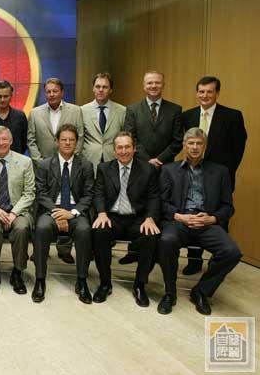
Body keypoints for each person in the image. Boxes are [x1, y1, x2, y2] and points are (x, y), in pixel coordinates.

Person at [157, 128, 242, 315]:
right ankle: (170, 293)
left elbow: (228, 207)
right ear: (184, 146)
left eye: (199, 143)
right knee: (166, 241)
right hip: (179, 221)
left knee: (232, 252)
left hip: (207, 223)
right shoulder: (169, 170)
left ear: (204, 146)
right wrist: (179, 216)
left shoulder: (220, 171)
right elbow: (160, 202)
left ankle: (201, 292)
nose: (195, 147)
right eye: (191, 143)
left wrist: (212, 218)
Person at [180, 76, 247, 275]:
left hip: (219, 178)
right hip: (193, 175)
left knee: (219, 219)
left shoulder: (232, 116)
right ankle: (194, 261)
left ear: (217, 93)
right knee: (194, 213)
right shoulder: (187, 116)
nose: (205, 95)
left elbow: (238, 148)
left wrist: (225, 174)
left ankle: (218, 262)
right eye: (201, 91)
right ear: (196, 93)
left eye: (210, 91)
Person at [91, 132, 160, 307]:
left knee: (151, 235)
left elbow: (154, 197)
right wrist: (101, 213)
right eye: (119, 147)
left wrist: (150, 218)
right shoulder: (104, 168)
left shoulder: (148, 169)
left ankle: (140, 285)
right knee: (99, 232)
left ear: (134, 148)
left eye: (127, 147)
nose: (123, 151)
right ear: (114, 151)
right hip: (112, 217)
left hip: (138, 219)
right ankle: (105, 283)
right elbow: (98, 193)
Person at [121, 71, 182, 265]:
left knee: (162, 205)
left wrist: (159, 159)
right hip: (139, 165)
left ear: (163, 85)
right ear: (144, 85)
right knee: (137, 203)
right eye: (149, 83)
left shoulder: (175, 110)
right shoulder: (133, 109)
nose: (153, 86)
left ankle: (156, 252)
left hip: (166, 167)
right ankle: (134, 250)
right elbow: (130, 137)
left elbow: (177, 141)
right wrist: (148, 160)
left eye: (157, 82)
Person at [31, 124, 94, 304]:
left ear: (76, 142)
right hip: (51, 209)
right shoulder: (44, 165)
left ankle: (82, 281)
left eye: (71, 140)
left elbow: (89, 194)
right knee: (42, 228)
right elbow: (41, 193)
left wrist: (72, 213)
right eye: (64, 139)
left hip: (75, 211)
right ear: (57, 141)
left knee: (84, 230)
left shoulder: (86, 165)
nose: (67, 143)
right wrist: (58, 213)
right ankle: (40, 280)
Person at [27, 77, 84, 263]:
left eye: (55, 91)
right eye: (48, 91)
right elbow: (31, 140)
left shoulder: (75, 111)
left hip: (68, 164)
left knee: (66, 201)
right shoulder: (35, 113)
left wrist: (71, 157)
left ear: (62, 92)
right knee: (40, 206)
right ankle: (39, 248)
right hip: (43, 167)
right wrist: (40, 162)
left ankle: (64, 249)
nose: (51, 94)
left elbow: (80, 136)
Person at [0, 126, 36, 295]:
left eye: (4, 139)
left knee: (21, 228)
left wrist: (14, 213)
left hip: (19, 210)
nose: (1, 143)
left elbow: (29, 193)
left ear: (11, 141)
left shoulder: (25, 162)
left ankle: (17, 272)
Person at [81, 72, 126, 172]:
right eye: (97, 87)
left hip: (113, 160)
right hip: (89, 161)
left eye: (105, 87)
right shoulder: (82, 111)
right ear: (93, 88)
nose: (101, 90)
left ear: (111, 90)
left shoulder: (122, 111)